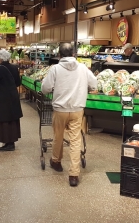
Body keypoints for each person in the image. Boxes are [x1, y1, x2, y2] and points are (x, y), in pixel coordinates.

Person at [41, 43, 97, 187]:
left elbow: (45, 89)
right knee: (75, 140)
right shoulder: (83, 68)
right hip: (78, 108)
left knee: (58, 137)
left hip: (60, 109)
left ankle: (56, 161)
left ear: (59, 55)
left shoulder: (55, 69)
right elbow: (94, 85)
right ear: (74, 54)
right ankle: (73, 174)